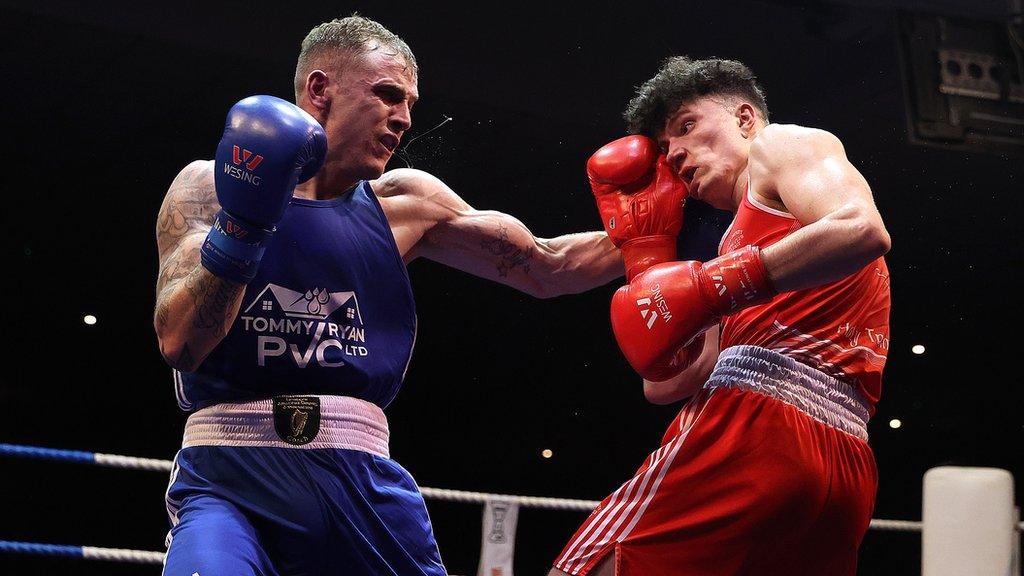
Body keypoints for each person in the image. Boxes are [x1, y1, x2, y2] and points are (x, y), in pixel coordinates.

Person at [153, 15, 622, 576]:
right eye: (387, 95)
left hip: (364, 486)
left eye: (410, 103)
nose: (403, 119)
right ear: (319, 90)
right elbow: (180, 341)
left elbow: (548, 266)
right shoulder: (206, 188)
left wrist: (669, 225)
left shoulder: (405, 204)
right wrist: (245, 226)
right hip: (231, 481)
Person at [551, 56, 891, 576]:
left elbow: (862, 230)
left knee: (586, 567)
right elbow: (664, 382)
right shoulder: (748, 249)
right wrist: (648, 257)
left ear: (746, 118)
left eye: (686, 127)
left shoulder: (785, 145)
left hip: (753, 432)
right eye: (665, 148)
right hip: (844, 463)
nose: (676, 155)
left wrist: (714, 286)